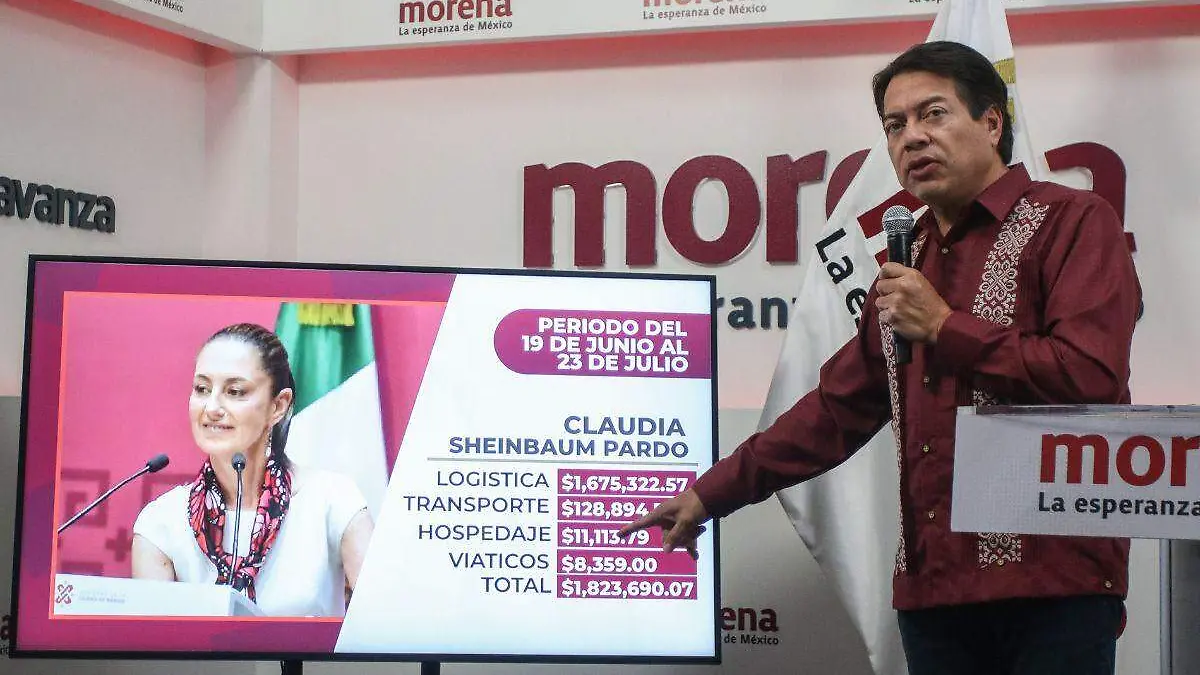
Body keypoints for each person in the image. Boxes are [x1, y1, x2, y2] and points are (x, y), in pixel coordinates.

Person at [621, 41, 1140, 675]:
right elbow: (839, 409)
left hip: (1052, 586)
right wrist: (710, 495)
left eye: (933, 114)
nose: (912, 137)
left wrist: (945, 327)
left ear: (992, 122)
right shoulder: (907, 257)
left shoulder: (1073, 221)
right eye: (895, 125)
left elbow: (1089, 375)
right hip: (933, 591)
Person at [132, 323, 375, 618]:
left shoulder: (332, 500)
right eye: (202, 389)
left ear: (278, 406)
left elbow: (380, 624)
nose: (212, 408)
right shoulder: (161, 522)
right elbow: (155, 642)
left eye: (234, 391)